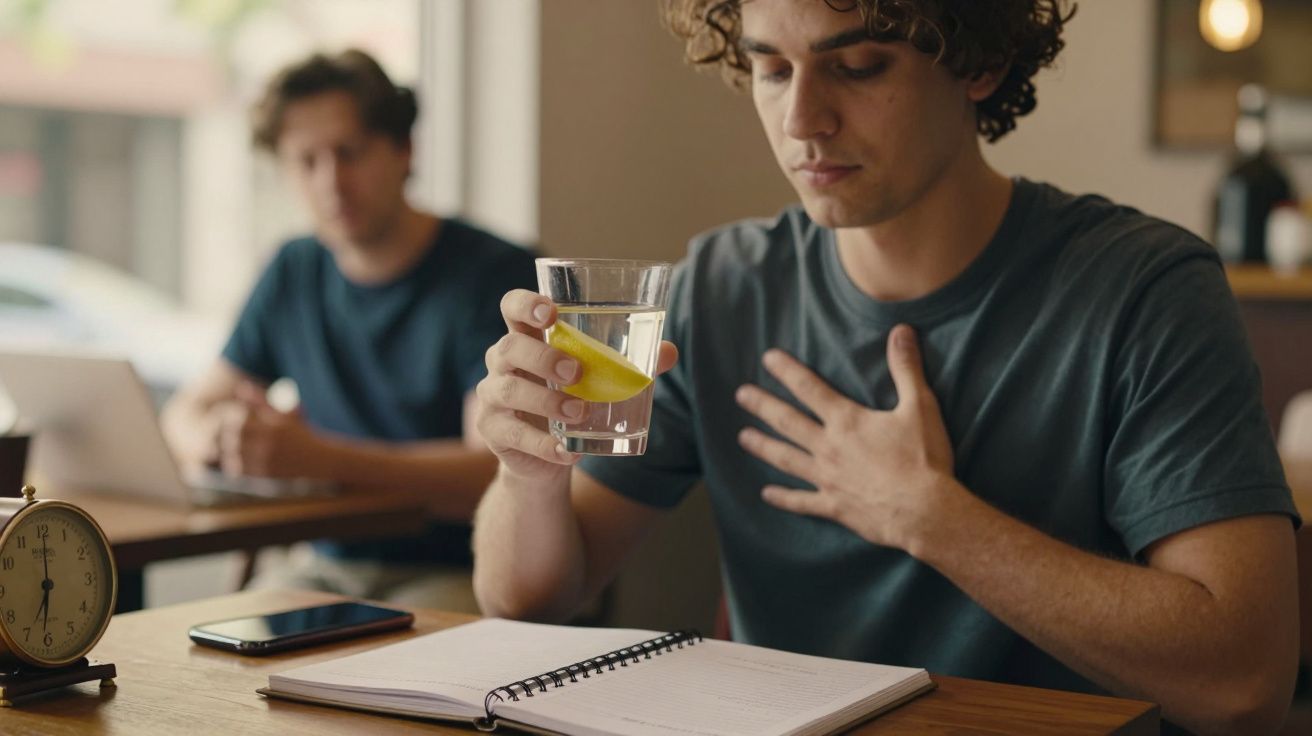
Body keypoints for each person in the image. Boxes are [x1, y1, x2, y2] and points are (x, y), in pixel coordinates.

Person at [469, 1, 1301, 732]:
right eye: (769, 67)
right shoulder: (717, 289)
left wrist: (933, 519)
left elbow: (1244, 685)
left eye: (858, 65)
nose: (801, 119)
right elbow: (527, 599)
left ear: (980, 61)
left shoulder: (1144, 291)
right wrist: (529, 476)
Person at [162, 49, 535, 612]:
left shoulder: (492, 277)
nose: (330, 181)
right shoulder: (294, 270)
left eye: (349, 153)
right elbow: (184, 414)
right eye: (305, 161)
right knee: (205, 658)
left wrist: (319, 460)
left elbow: (489, 470)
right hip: (327, 567)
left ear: (404, 150)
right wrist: (226, 438)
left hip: (464, 570)